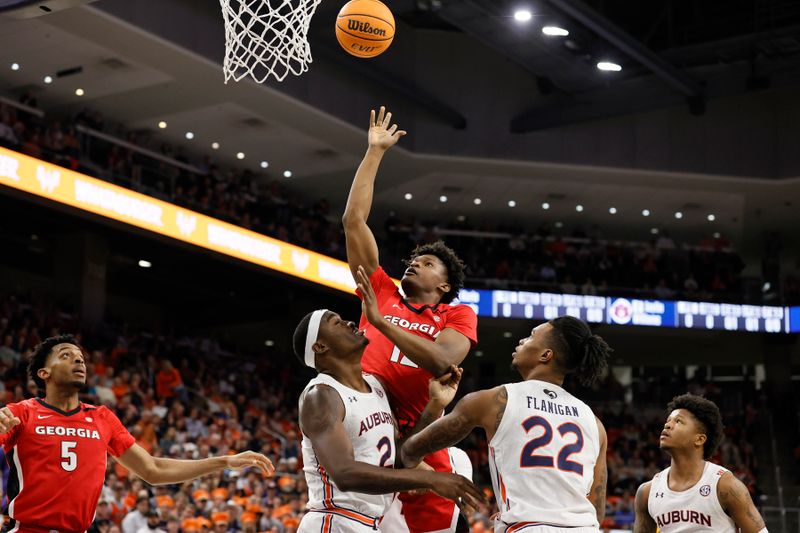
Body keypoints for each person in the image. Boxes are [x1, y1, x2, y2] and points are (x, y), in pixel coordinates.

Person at [343, 106, 478, 533]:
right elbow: (353, 221)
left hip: (420, 428)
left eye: (427, 263)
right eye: (414, 259)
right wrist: (374, 152)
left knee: (433, 522)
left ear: (444, 285)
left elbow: (442, 361)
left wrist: (383, 324)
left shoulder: (456, 313)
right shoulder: (382, 290)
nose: (415, 264)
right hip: (368, 415)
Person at [0, 334, 274, 533]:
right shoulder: (21, 413)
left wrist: (224, 461)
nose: (78, 360)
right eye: (65, 355)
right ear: (44, 373)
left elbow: (153, 469)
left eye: (80, 357)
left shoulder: (102, 417)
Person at [402, 316, 613, 533]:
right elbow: (596, 510)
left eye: (531, 336)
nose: (522, 340)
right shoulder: (594, 423)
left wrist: (435, 407)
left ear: (546, 355)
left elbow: (409, 450)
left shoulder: (493, 400)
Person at [292, 309, 484, 532]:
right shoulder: (322, 395)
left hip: (370, 523)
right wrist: (427, 479)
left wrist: (434, 407)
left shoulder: (376, 387)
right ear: (321, 347)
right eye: (337, 323)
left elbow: (397, 458)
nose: (350, 321)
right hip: (335, 520)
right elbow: (344, 474)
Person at [633, 394, 768, 533]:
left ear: (699, 439)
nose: (667, 425)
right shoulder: (646, 493)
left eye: (678, 421)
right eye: (668, 421)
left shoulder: (726, 486)